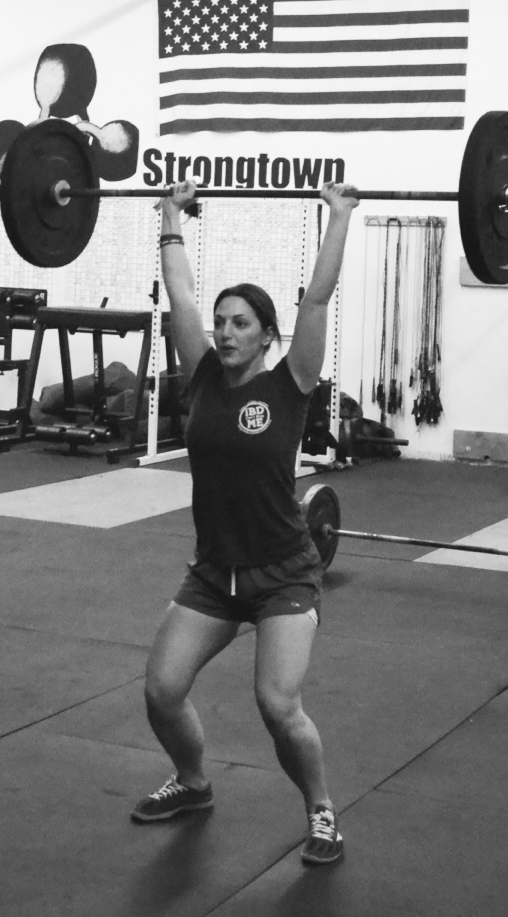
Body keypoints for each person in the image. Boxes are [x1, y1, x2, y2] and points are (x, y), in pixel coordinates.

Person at [130, 179, 359, 866]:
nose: (225, 331)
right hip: (214, 570)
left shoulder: (288, 384)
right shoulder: (198, 374)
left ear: (266, 337)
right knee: (161, 691)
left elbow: (315, 298)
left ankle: (320, 811)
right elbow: (181, 295)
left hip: (283, 571)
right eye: (222, 321)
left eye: (240, 324)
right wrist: (170, 216)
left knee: (276, 705)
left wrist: (338, 216)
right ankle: (194, 781)